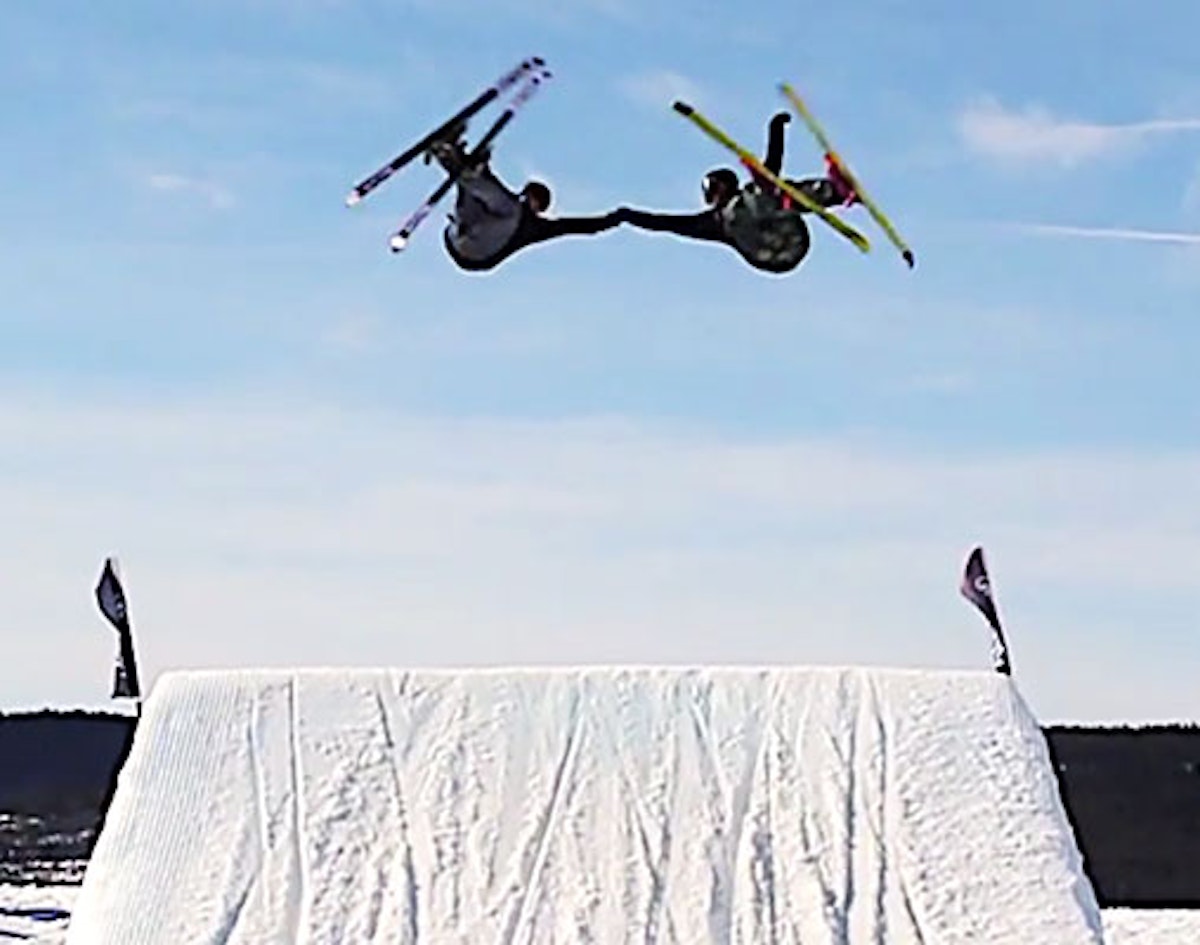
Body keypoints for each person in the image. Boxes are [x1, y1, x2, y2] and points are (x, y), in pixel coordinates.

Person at [616, 112, 857, 274]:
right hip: (768, 254)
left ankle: (836, 191)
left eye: (712, 188)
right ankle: (831, 191)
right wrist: (630, 216)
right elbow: (667, 223)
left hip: (787, 238)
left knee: (771, 192)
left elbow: (772, 165)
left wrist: (776, 130)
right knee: (760, 195)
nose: (710, 197)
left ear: (726, 185)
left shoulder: (746, 197)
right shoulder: (713, 222)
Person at [428, 138, 622, 272]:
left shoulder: (538, 227)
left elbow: (575, 226)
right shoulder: (509, 205)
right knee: (481, 192)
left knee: (509, 209)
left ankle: (467, 171)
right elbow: (493, 191)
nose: (526, 200)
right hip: (458, 236)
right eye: (526, 195)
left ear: (540, 207)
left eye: (532, 200)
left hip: (479, 254)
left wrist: (614, 219)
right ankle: (447, 154)